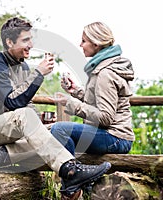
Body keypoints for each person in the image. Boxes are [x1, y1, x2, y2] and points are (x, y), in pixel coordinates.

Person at [0, 17, 111, 197]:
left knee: (56, 132)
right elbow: (13, 103)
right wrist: (39, 74)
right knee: (25, 115)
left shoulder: (23, 67)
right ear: (9, 42)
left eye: (31, 39)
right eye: (25, 40)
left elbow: (27, 103)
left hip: (6, 137)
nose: (31, 44)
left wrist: (42, 125)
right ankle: (71, 171)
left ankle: (72, 187)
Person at [50, 22, 135, 157]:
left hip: (115, 138)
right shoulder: (104, 67)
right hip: (116, 137)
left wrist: (71, 103)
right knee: (55, 132)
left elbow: (105, 118)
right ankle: (75, 172)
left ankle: (74, 173)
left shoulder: (104, 73)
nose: (80, 45)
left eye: (84, 41)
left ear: (96, 44)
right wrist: (76, 91)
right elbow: (100, 101)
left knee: (59, 129)